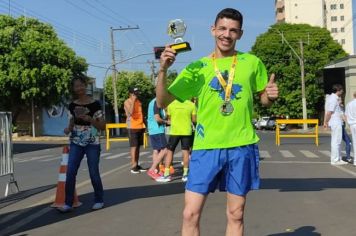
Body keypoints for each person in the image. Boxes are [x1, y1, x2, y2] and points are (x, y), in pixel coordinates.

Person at [156, 8, 278, 236]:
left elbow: (263, 99)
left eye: (233, 30)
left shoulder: (252, 62)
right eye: (222, 28)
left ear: (240, 34)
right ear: (213, 30)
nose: (226, 34)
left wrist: (269, 96)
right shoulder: (198, 67)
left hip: (241, 145)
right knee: (190, 214)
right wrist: (163, 70)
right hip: (205, 147)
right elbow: (163, 102)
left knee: (236, 214)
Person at [58, 75, 106, 213]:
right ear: (73, 89)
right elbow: (71, 123)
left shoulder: (95, 104)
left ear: (86, 86)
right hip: (76, 142)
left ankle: (99, 200)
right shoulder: (72, 105)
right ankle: (68, 203)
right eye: (76, 86)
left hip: (92, 142)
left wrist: (90, 119)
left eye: (81, 85)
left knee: (93, 171)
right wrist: (68, 129)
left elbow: (102, 126)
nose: (79, 88)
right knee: (71, 172)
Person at [156, 99, 196, 183]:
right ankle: (185, 174)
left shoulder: (171, 105)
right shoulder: (191, 105)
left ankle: (167, 174)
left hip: (174, 131)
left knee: (170, 151)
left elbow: (169, 119)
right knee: (186, 152)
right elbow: (194, 120)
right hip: (187, 131)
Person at [324, 84, 348, 165]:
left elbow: (339, 111)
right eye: (342, 90)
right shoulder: (333, 99)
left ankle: (339, 158)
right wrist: (326, 122)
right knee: (336, 141)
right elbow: (329, 112)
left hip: (338, 121)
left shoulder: (336, 98)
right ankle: (335, 160)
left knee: (338, 141)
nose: (342, 91)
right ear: (338, 90)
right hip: (335, 122)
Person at [124, 87, 147, 174]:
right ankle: (133, 166)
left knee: (137, 147)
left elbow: (141, 114)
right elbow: (129, 112)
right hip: (132, 126)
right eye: (134, 93)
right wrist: (133, 101)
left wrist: (145, 125)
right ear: (130, 94)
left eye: (137, 93)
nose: (136, 95)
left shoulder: (139, 102)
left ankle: (137, 164)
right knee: (134, 147)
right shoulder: (127, 102)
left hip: (140, 126)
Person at [146, 97, 168, 180]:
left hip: (152, 129)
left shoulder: (152, 101)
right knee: (165, 150)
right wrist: (167, 122)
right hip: (157, 129)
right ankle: (152, 169)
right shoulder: (157, 102)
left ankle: (156, 171)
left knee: (156, 150)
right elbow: (157, 118)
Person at [339, 98, 352, 162]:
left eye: (341, 100)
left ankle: (347, 157)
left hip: (341, 126)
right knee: (348, 141)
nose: (341, 101)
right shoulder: (338, 108)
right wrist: (349, 123)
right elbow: (343, 117)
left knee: (348, 141)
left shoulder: (341, 107)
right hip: (340, 126)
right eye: (340, 100)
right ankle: (347, 157)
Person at [345, 91, 356, 166]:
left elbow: (346, 115)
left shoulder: (349, 104)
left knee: (355, 142)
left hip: (352, 124)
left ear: (353, 95)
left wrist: (348, 124)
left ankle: (355, 160)